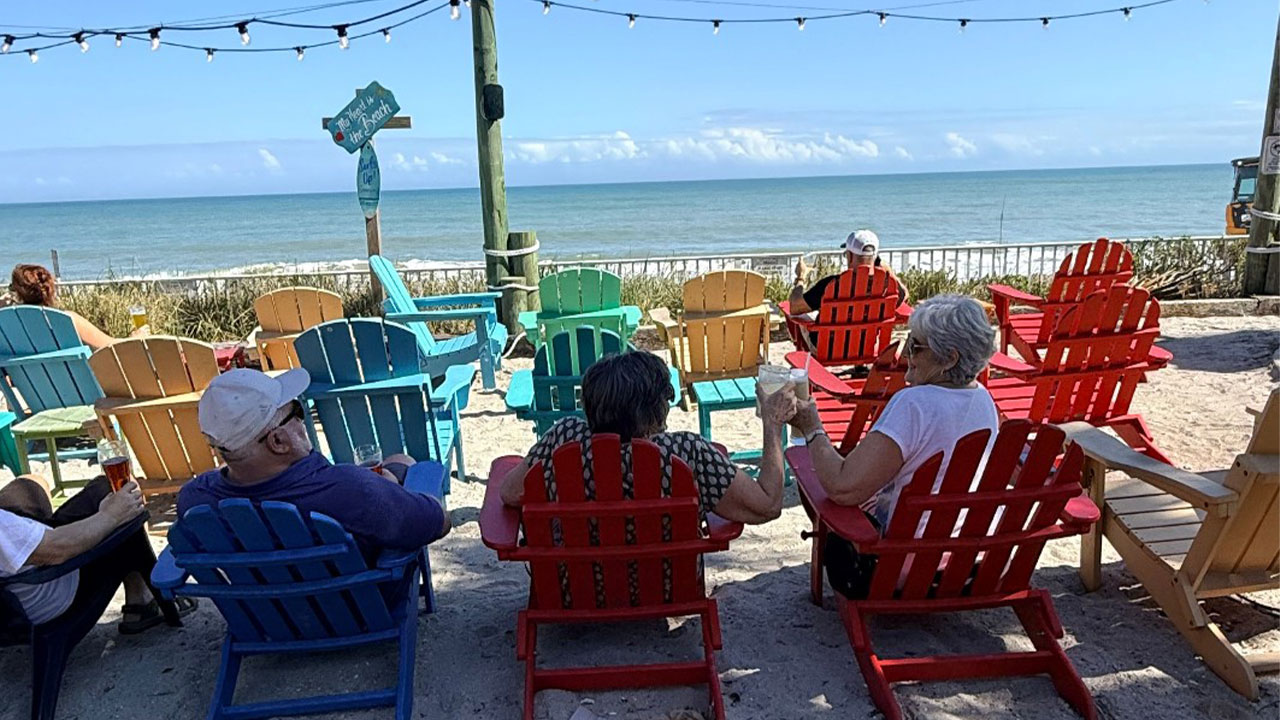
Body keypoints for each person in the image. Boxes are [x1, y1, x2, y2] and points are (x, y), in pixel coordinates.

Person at [784, 294, 998, 597]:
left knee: (815, 480)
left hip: (896, 570)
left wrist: (812, 428)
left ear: (949, 358)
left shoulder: (914, 404)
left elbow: (843, 488)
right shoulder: (983, 400)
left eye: (916, 346)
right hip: (965, 563)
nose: (907, 354)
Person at [178, 369, 450, 560]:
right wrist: (388, 489)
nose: (302, 421)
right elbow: (438, 522)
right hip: (361, 608)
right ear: (278, 442)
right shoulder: (350, 489)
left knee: (396, 464)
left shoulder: (194, 500)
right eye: (296, 412)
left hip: (264, 618)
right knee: (404, 463)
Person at [500, 350, 792, 526]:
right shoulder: (686, 451)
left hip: (577, 587)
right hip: (667, 585)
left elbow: (511, 493)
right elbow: (767, 506)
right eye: (666, 397)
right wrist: (772, 422)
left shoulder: (563, 437)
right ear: (654, 410)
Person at [0, 473, 195, 631]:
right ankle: (141, 600)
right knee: (114, 489)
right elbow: (56, 550)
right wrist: (111, 515)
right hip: (48, 587)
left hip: (18, 569)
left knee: (29, 484)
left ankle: (140, 598)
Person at [8, 263, 148, 351]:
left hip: (35, 395)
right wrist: (136, 337)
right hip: (84, 395)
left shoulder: (9, 327)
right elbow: (111, 347)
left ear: (17, 294)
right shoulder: (66, 319)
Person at [787, 229, 908, 316]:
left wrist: (800, 277)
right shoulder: (884, 287)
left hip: (828, 348)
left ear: (849, 256)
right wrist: (886, 269)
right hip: (868, 344)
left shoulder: (832, 285)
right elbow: (903, 295)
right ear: (876, 257)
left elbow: (795, 307)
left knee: (802, 319)